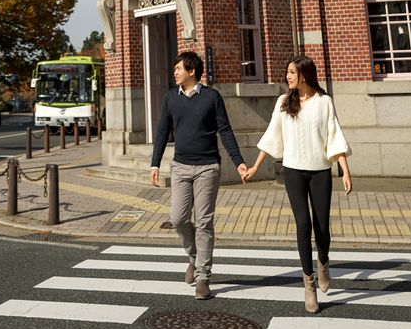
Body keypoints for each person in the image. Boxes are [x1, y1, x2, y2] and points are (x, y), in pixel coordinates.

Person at [243, 55, 352, 314]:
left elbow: (334, 136)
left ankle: (323, 262)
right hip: (293, 171)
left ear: (305, 74)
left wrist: (345, 171)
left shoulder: (324, 102)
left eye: (292, 72)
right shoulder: (283, 102)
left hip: (320, 172)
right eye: (287, 72)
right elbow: (272, 134)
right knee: (303, 224)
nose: (287, 76)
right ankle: (309, 283)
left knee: (322, 227)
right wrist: (256, 166)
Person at [149, 50, 247, 300]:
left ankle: (203, 276)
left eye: (178, 68)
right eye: (174, 69)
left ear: (192, 71)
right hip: (180, 167)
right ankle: (193, 257)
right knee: (179, 219)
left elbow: (224, 130)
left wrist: (238, 162)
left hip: (207, 168)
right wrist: (155, 164)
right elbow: (162, 132)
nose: (175, 72)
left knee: (204, 222)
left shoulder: (212, 97)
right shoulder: (171, 98)